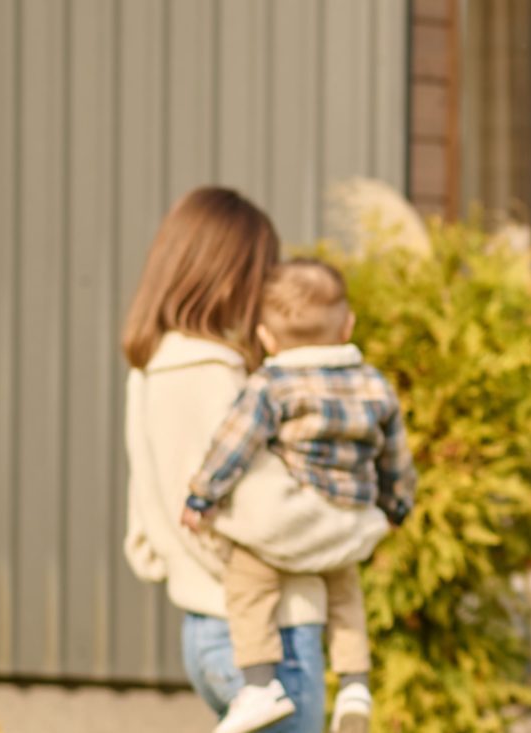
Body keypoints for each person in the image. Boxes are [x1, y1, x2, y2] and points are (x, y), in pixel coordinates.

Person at [121, 187, 329, 733]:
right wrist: (362, 526)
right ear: (230, 275)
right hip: (267, 640)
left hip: (204, 631)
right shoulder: (214, 376)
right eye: (262, 272)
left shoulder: (150, 370)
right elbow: (268, 518)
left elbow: (143, 538)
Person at [182, 259, 410, 733]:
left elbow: (234, 445)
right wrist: (395, 507)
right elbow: (396, 459)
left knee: (249, 583)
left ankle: (260, 685)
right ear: (347, 325)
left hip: (298, 515)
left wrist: (202, 497)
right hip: (349, 513)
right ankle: (355, 683)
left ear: (265, 337)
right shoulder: (374, 384)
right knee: (345, 600)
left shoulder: (271, 384)